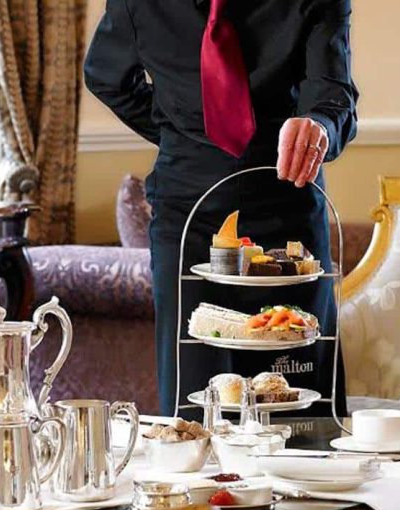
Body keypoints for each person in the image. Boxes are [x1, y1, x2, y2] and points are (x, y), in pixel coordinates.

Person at [85, 0, 358, 417]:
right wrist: (182, 131)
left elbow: (333, 90)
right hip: (188, 218)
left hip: (290, 215)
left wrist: (319, 124)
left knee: (299, 397)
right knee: (197, 398)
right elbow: (106, 76)